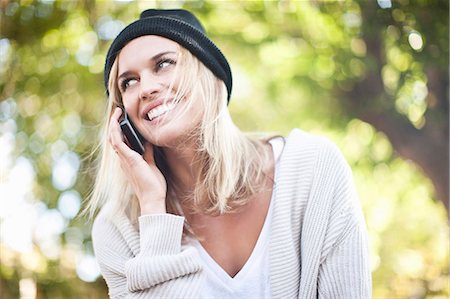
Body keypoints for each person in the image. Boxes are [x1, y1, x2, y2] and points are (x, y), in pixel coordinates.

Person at [88, 8, 372, 298]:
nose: (146, 88)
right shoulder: (116, 229)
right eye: (129, 82)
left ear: (211, 74)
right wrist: (152, 209)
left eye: (163, 64)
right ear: (122, 117)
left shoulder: (314, 169)